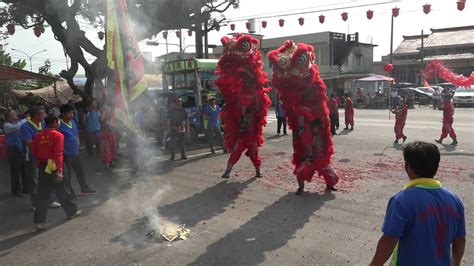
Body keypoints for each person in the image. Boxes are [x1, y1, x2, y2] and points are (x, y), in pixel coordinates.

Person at [370, 141, 465, 266]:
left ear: (409, 167)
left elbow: (389, 240)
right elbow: (459, 240)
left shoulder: (401, 200)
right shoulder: (455, 200)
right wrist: (456, 263)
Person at [32, 114, 81, 231]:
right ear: (54, 122)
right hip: (54, 165)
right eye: (58, 122)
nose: (59, 124)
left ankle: (39, 222)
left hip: (44, 167)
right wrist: (59, 171)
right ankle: (71, 212)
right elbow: (58, 153)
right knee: (63, 191)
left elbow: (35, 153)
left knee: (42, 195)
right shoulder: (58, 135)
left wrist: (39, 166)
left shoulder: (38, 136)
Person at [20, 106, 60, 209]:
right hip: (32, 158)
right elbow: (29, 143)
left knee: (48, 178)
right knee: (34, 181)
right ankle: (35, 203)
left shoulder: (42, 124)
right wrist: (45, 142)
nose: (44, 116)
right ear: (35, 116)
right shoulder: (25, 127)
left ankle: (49, 200)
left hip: (46, 157)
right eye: (42, 114)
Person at [58, 105, 96, 198]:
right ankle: (69, 193)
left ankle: (84, 188)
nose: (71, 115)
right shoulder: (59, 125)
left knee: (80, 171)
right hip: (66, 154)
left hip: (75, 152)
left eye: (72, 113)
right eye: (69, 113)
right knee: (68, 175)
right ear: (63, 114)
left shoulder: (73, 122)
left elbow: (76, 132)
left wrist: (78, 141)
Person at [3, 109, 27, 197]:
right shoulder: (7, 125)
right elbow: (18, 127)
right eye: (13, 114)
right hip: (13, 150)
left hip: (20, 148)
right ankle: (16, 190)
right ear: (8, 117)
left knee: (24, 169)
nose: (16, 114)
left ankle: (26, 188)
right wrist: (25, 119)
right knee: (15, 171)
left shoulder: (15, 123)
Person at [100, 103, 117, 167]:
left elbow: (115, 125)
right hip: (105, 134)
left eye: (109, 108)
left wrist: (111, 125)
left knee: (113, 147)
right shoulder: (103, 114)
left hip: (112, 133)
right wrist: (104, 111)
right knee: (107, 148)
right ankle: (107, 161)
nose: (108, 109)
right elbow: (101, 119)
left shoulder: (113, 115)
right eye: (107, 108)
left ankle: (111, 160)